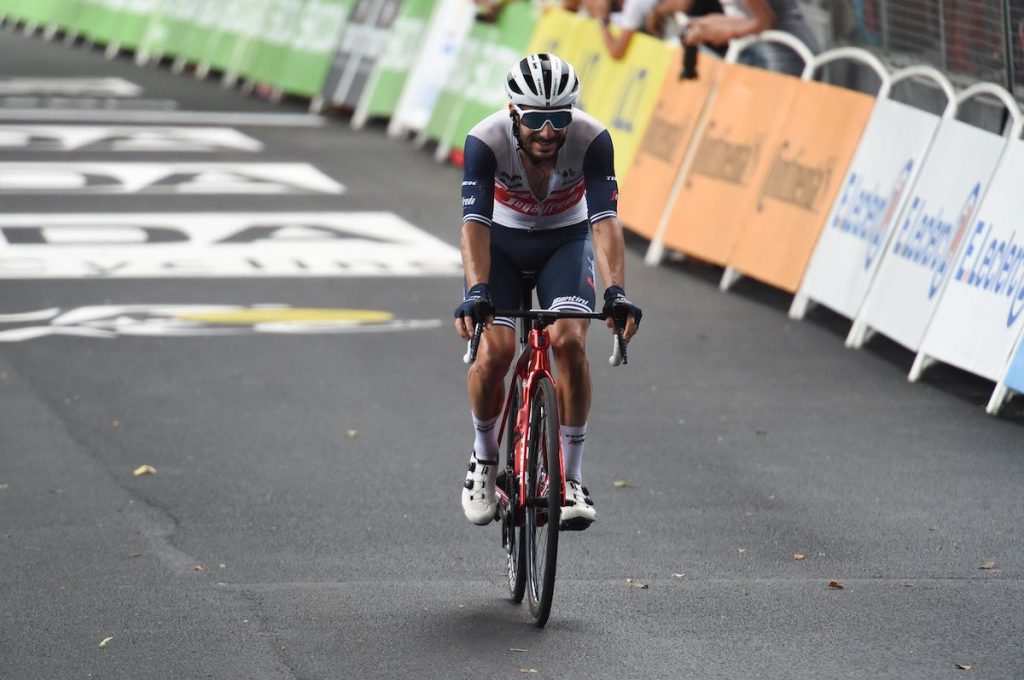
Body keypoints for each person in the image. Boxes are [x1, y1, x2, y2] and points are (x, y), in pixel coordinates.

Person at [453, 53, 642, 530]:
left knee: (569, 342)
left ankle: (571, 479)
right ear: (514, 112)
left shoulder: (593, 140)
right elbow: (473, 225)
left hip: (565, 240)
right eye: (535, 119)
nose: (547, 132)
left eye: (559, 118)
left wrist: (616, 290)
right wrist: (477, 289)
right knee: (494, 353)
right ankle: (484, 456)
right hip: (503, 241)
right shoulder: (485, 141)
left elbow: (604, 222)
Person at [645, 0, 821, 75]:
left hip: (792, 53)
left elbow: (764, 22)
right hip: (772, 52)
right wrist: (707, 24)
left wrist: (727, 33)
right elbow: (742, 18)